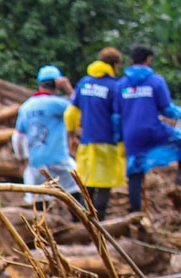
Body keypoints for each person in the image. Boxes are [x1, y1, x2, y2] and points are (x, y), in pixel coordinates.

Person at [117, 44, 181, 214]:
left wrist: (119, 137)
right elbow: (166, 109)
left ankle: (136, 212)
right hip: (153, 131)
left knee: (134, 171)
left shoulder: (121, 84)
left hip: (131, 135)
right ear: (149, 60)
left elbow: (117, 114)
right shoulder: (156, 81)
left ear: (131, 60)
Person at [67, 47, 126, 219]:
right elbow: (118, 118)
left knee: (87, 181)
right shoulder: (114, 86)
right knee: (104, 183)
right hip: (107, 141)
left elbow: (71, 113)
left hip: (87, 141)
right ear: (115, 65)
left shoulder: (84, 82)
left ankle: (81, 218)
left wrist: (71, 132)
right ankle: (99, 221)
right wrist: (120, 140)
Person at [12, 65, 80, 209]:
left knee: (38, 198)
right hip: (58, 158)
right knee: (76, 190)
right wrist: (68, 89)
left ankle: (42, 230)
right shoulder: (57, 103)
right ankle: (84, 225)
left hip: (35, 162)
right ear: (57, 84)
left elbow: (17, 137)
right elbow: (78, 108)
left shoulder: (26, 107)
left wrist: (21, 158)